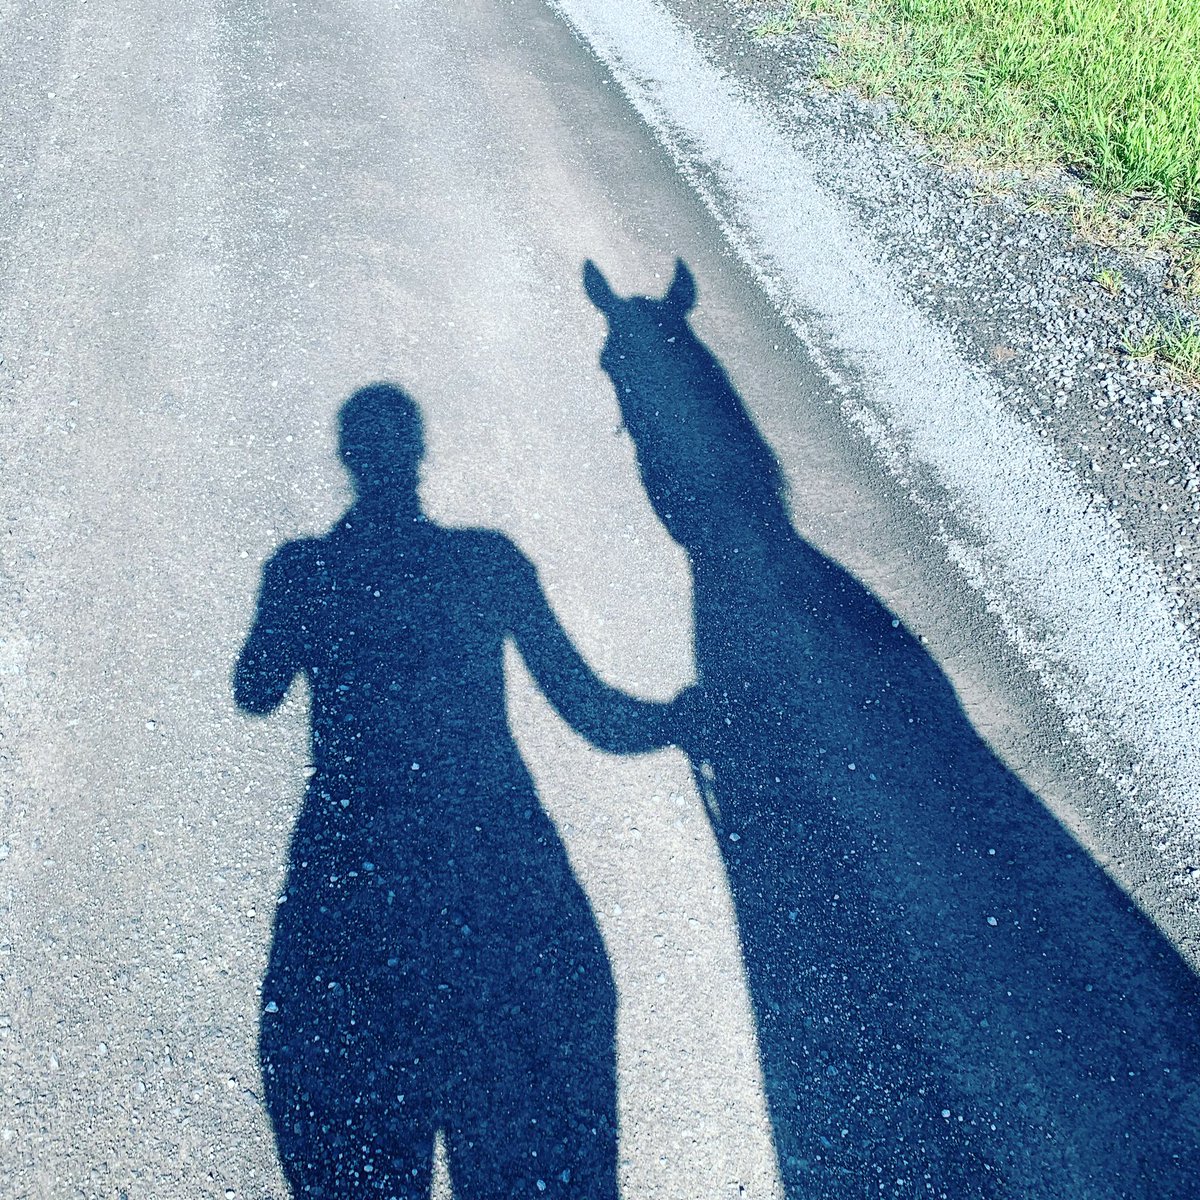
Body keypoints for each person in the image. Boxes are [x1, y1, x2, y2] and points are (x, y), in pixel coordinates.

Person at [235, 382, 684, 1199]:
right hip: (497, 868)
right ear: (417, 458)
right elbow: (588, 708)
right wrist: (681, 721)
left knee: (357, 1146)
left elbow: (254, 689)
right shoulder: (486, 563)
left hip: (354, 875)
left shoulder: (304, 572)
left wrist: (297, 599)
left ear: (349, 461)